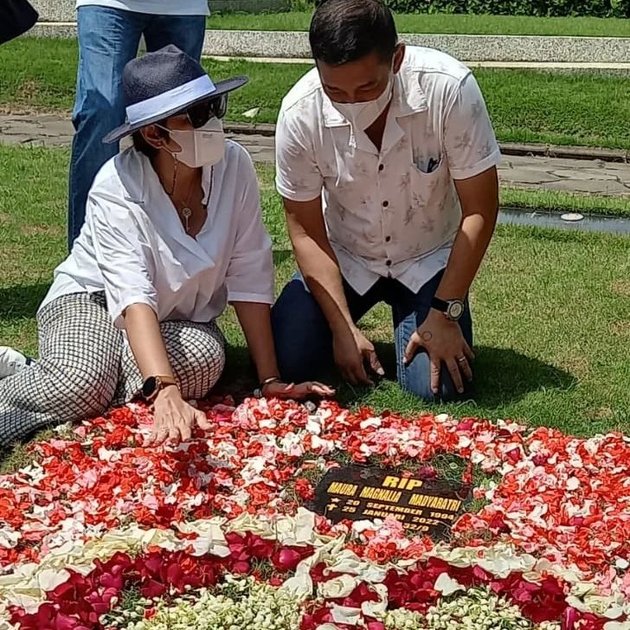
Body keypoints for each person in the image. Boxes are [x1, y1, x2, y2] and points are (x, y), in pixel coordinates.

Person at [0, 46, 332, 451]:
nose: (212, 123)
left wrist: (269, 380)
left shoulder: (235, 166)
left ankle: (95, 372)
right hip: (94, 300)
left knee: (207, 359)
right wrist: (164, 387)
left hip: (175, 320)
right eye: (195, 116)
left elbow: (249, 272)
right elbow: (132, 292)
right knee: (82, 383)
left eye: (213, 106)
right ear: (154, 134)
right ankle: (57, 380)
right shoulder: (117, 186)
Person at [271, 0, 501, 402]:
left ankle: (423, 317)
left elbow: (480, 208)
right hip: (347, 256)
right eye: (335, 91)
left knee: (440, 388)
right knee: (288, 358)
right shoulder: (299, 113)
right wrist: (341, 328)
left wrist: (447, 310)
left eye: (367, 88)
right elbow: (305, 231)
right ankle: (348, 331)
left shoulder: (448, 89)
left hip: (427, 257)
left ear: (396, 58)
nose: (352, 103)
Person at [68, 0, 209, 247]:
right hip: (107, 3)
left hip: (183, 6)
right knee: (102, 112)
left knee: (181, 121)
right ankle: (88, 255)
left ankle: (178, 249)